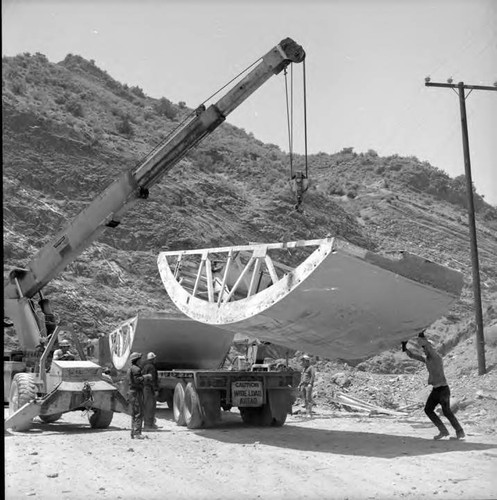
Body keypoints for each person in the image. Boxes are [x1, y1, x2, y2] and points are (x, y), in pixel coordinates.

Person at [403, 332, 465, 440]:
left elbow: (428, 346)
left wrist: (422, 337)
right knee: (428, 410)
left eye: (425, 349)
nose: (424, 350)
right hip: (436, 390)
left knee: (446, 412)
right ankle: (444, 431)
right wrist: (405, 348)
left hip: (443, 390)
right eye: (423, 349)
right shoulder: (427, 359)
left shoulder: (436, 357)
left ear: (430, 348)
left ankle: (460, 432)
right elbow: (413, 356)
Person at [127, 352, 152, 439]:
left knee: (134, 413)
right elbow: (137, 380)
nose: (141, 361)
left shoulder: (131, 368)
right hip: (136, 392)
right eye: (140, 359)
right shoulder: (136, 369)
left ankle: (133, 432)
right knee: (139, 412)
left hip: (131, 392)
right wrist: (146, 377)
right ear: (137, 360)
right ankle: (137, 433)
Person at [142, 352, 160, 430]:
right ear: (153, 359)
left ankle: (148, 424)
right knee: (150, 406)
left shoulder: (144, 366)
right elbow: (153, 380)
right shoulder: (152, 367)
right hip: (150, 389)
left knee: (146, 406)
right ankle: (149, 425)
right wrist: (155, 389)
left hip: (144, 388)